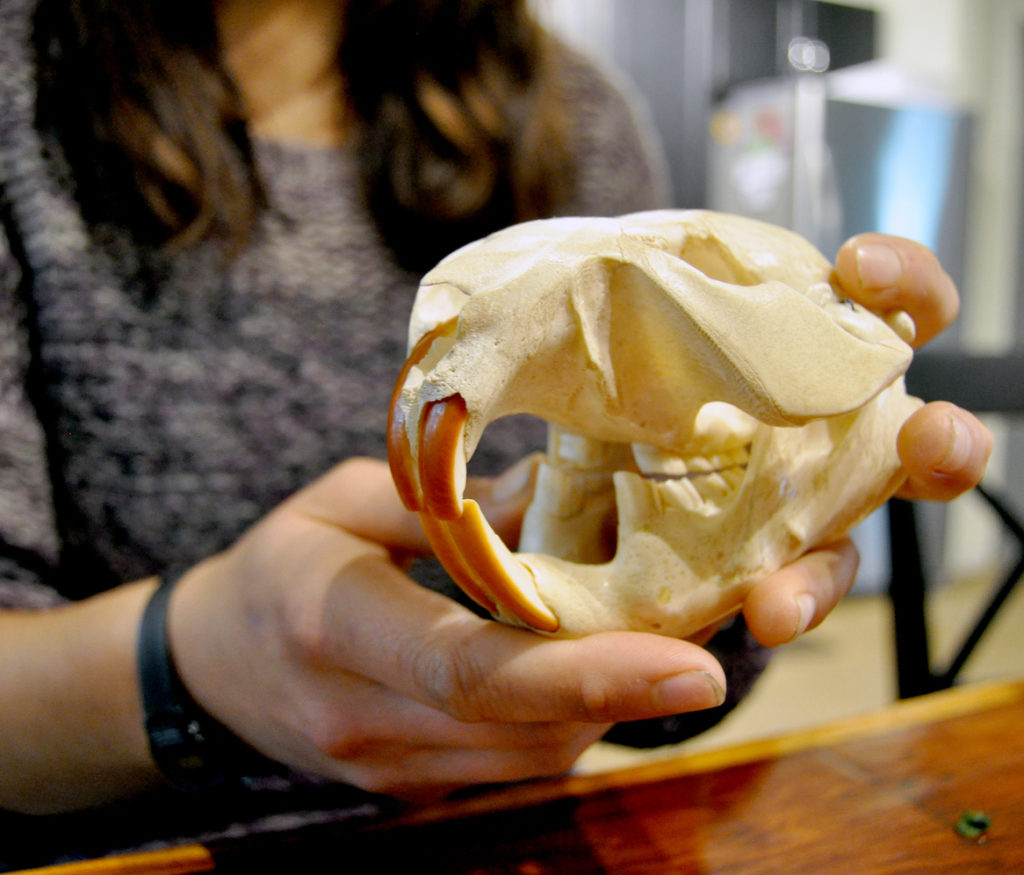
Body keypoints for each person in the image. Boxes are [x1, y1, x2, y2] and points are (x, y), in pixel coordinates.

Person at [0, 0, 991, 865]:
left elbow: (683, 633)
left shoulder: (570, 109)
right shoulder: (19, 98)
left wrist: (751, 546)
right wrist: (184, 666)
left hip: (528, 836)